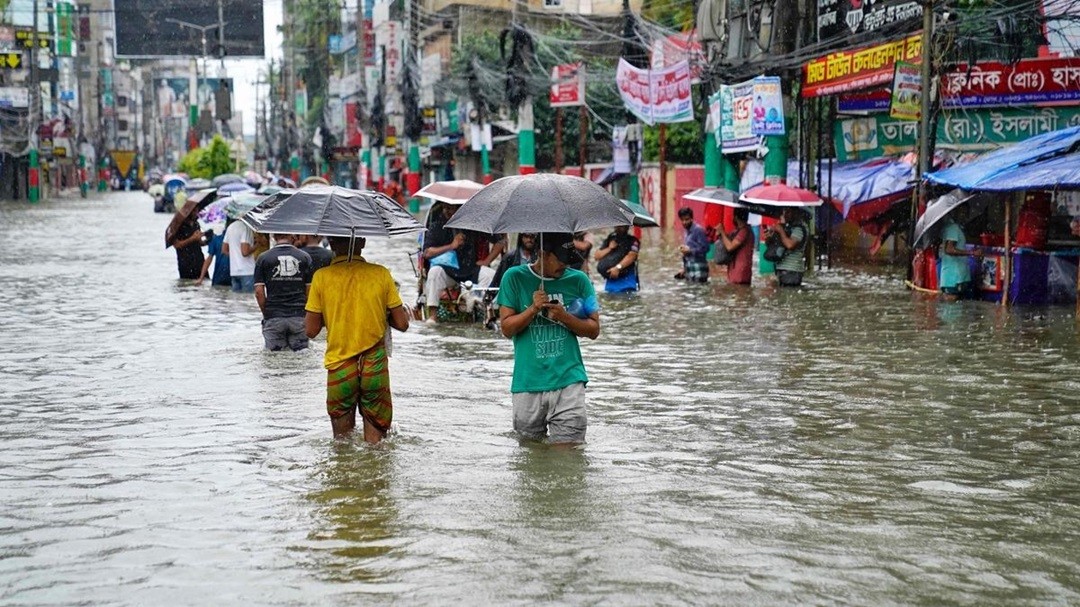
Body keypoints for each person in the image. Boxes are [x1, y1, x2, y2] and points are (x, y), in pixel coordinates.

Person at [496, 232, 600, 445]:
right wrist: (533, 309)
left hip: (569, 380)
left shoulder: (579, 280)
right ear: (543, 253)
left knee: (568, 460)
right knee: (531, 459)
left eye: (568, 258)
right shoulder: (513, 277)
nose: (565, 265)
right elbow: (507, 329)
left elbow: (594, 330)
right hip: (528, 383)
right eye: (560, 258)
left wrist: (565, 317)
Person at [305, 236, 410, 443]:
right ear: (362, 242)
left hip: (340, 367)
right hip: (374, 365)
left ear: (331, 243)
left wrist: (333, 313)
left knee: (342, 445)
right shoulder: (380, 274)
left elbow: (310, 330)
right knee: (376, 447)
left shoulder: (321, 277)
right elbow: (402, 324)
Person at [422, 202, 504, 320]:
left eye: (451, 209)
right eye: (445, 208)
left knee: (492, 276)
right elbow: (427, 253)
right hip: (447, 271)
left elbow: (500, 242)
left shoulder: (473, 225)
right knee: (434, 272)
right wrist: (451, 246)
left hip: (470, 270)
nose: (447, 211)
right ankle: (432, 317)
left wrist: (486, 261)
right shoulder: (437, 226)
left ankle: (483, 310)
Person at [254, 234, 314, 351]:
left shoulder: (263, 258)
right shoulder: (305, 257)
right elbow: (310, 291)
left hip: (274, 316)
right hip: (299, 316)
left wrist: (267, 313)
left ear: (273, 237)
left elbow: (259, 292)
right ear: (293, 237)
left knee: (274, 359)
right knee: (301, 356)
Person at [939, 211, 983, 301]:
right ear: (955, 212)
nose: (964, 216)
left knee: (955, 308)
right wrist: (971, 253)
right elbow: (949, 249)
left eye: (966, 212)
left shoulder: (954, 228)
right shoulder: (953, 228)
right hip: (953, 278)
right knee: (952, 308)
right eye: (962, 212)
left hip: (955, 277)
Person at [766, 208, 810, 287]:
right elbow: (774, 246)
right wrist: (770, 237)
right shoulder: (789, 227)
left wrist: (781, 231)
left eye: (788, 212)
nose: (785, 214)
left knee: (789, 296)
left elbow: (790, 245)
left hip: (792, 272)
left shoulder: (799, 228)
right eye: (784, 211)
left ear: (796, 212)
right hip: (783, 270)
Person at [594, 225, 640, 292]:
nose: (618, 228)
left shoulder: (633, 241)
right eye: (617, 226)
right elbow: (597, 256)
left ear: (627, 227)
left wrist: (617, 268)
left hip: (627, 282)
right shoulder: (610, 239)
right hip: (611, 283)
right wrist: (609, 248)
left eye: (621, 226)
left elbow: (632, 256)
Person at [716, 208, 755, 285]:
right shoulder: (737, 231)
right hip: (734, 272)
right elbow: (726, 242)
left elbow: (730, 247)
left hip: (740, 274)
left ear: (736, 217)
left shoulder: (744, 231)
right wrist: (721, 234)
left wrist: (722, 232)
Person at [675, 207, 710, 283]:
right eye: (682, 220)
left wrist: (690, 250)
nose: (684, 222)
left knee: (698, 292)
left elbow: (706, 248)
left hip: (699, 267)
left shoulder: (698, 230)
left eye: (687, 219)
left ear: (692, 218)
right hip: (689, 267)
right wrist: (684, 269)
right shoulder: (686, 232)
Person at [222, 218, 256, 292]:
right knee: (247, 300)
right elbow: (245, 252)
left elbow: (224, 250)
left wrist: (235, 257)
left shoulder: (230, 227)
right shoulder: (246, 227)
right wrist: (257, 245)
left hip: (234, 271)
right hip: (247, 271)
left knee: (237, 301)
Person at [173, 215, 205, 280]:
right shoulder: (177, 226)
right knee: (186, 285)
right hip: (186, 263)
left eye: (197, 210)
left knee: (203, 284)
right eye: (194, 211)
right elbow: (177, 245)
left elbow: (199, 242)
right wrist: (192, 238)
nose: (196, 213)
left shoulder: (196, 224)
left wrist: (208, 239)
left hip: (199, 261)